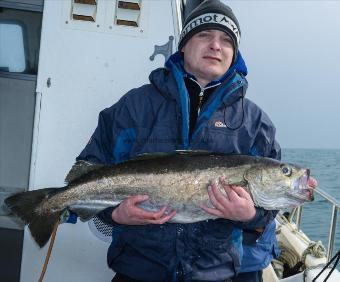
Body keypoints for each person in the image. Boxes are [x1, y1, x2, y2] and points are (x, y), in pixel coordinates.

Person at [76, 0, 282, 281]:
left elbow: (269, 211)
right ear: (183, 45)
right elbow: (88, 168)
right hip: (138, 270)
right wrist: (115, 215)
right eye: (204, 35)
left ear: (234, 54)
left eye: (226, 40)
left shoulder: (255, 123)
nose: (215, 45)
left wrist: (249, 215)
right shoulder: (134, 106)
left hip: (217, 274)